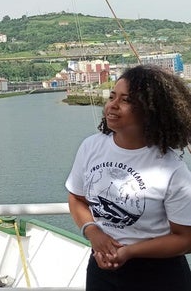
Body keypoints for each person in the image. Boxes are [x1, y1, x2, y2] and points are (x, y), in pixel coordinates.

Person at [65, 64, 191, 291]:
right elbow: (76, 197)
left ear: (150, 110)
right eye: (112, 96)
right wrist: (93, 232)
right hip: (102, 269)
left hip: (159, 276)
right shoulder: (91, 146)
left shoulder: (172, 169)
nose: (112, 105)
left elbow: (186, 238)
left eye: (126, 100)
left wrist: (129, 252)